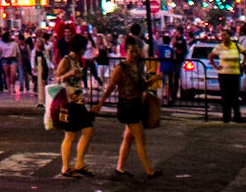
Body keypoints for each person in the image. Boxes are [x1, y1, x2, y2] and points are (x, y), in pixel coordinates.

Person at [100, 35, 161, 178]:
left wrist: (154, 80)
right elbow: (110, 87)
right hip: (127, 106)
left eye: (136, 51)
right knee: (140, 138)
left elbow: (141, 87)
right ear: (125, 52)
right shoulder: (121, 68)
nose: (134, 54)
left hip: (136, 104)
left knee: (128, 138)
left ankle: (120, 167)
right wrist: (100, 103)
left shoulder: (136, 67)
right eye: (131, 51)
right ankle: (149, 171)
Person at [52, 47, 96, 177]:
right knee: (70, 135)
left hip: (79, 101)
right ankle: (66, 167)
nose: (84, 51)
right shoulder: (67, 60)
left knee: (88, 131)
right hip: (70, 102)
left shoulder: (77, 61)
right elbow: (57, 78)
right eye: (83, 48)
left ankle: (79, 163)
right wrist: (69, 74)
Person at [214, 25, 243, 123]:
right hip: (223, 74)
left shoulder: (236, 46)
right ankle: (226, 117)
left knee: (235, 96)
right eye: (221, 35)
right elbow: (211, 56)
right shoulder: (219, 47)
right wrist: (216, 67)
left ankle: (237, 116)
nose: (223, 37)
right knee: (225, 96)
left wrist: (242, 64)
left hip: (235, 73)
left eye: (225, 35)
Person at [169, 27, 188, 104]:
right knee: (172, 78)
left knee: (176, 78)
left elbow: (184, 50)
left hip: (178, 60)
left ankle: (175, 94)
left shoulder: (182, 41)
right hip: (173, 60)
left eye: (176, 31)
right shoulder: (174, 39)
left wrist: (179, 51)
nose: (175, 33)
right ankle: (171, 94)